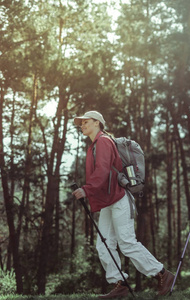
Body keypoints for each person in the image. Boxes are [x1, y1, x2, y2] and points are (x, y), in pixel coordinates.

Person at [72, 111, 175, 298]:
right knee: (103, 245)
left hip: (119, 198)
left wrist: (87, 189)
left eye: (86, 122)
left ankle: (163, 274)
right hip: (107, 201)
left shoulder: (103, 141)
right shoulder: (94, 145)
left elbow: (103, 170)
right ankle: (119, 284)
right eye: (81, 123)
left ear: (97, 123)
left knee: (126, 243)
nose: (82, 125)